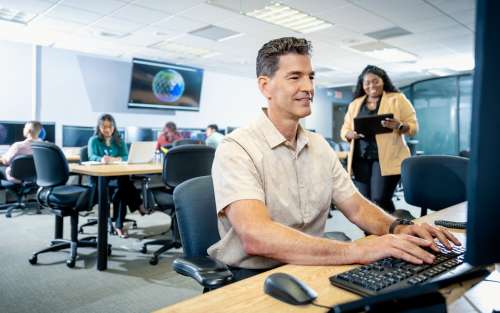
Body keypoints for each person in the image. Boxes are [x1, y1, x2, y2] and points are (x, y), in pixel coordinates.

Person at [208, 37, 459, 281]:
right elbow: (256, 236)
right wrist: (358, 251)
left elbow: (357, 206)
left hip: (310, 263)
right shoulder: (237, 148)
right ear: (265, 86)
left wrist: (399, 227)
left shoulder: (318, 146)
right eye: (295, 77)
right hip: (254, 275)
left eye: (311, 77)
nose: (308, 87)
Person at [340, 65, 418, 214]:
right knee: (365, 202)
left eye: (375, 81)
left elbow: (414, 127)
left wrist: (400, 126)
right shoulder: (356, 104)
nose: (371, 86)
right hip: (360, 158)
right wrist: (348, 134)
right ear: (362, 85)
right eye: (367, 83)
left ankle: (394, 227)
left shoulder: (397, 99)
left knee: (379, 198)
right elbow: (344, 129)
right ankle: (372, 234)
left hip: (387, 158)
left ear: (383, 81)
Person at [87, 114, 146, 238]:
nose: (107, 129)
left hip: (118, 177)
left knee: (121, 186)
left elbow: (126, 156)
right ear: (99, 127)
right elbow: (91, 156)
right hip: (101, 179)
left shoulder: (119, 140)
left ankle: (118, 225)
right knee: (123, 184)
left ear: (114, 127)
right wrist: (100, 159)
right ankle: (139, 204)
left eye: (110, 127)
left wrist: (115, 159)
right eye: (104, 127)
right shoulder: (94, 140)